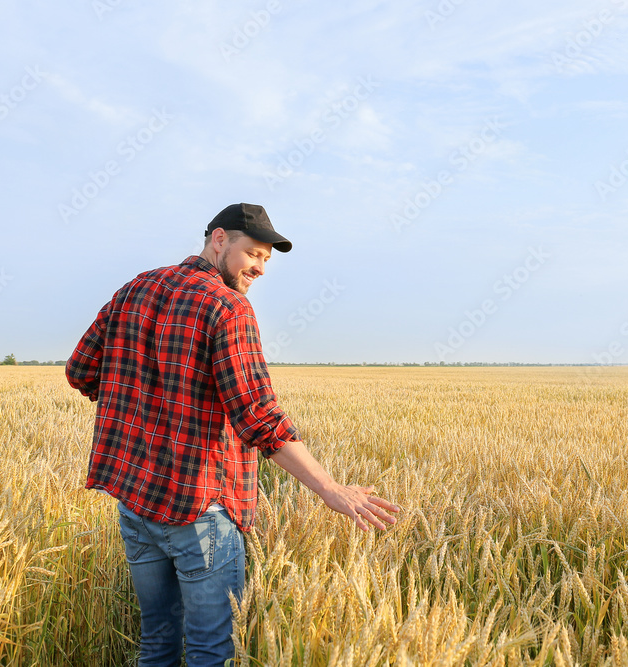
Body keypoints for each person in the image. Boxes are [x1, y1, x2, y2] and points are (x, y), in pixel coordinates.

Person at [65, 203, 399, 666]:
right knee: (210, 650)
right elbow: (257, 415)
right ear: (219, 239)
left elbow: (80, 370)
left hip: (135, 504)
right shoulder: (227, 306)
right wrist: (330, 489)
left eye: (266, 259)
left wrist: (138, 395)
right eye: (253, 253)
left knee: (156, 641)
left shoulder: (135, 288)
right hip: (200, 511)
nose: (260, 268)